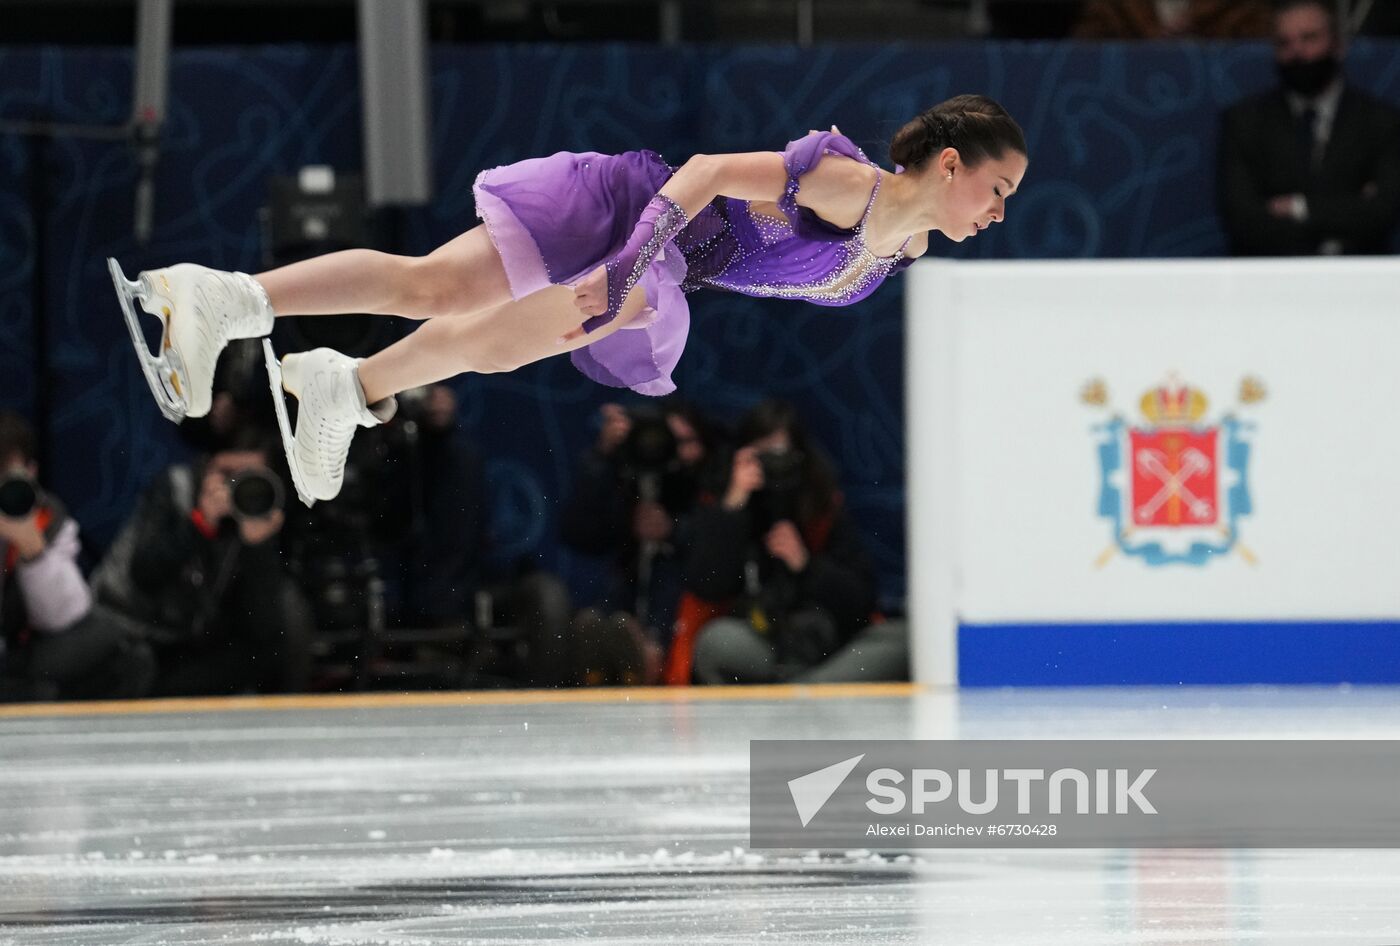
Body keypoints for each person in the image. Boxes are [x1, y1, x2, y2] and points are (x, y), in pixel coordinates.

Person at [109, 95, 1027, 504]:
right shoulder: (846, 184)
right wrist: (631, 264)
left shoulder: (902, 244)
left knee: (490, 332)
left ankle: (336, 379)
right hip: (632, 212)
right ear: (949, 164)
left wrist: (633, 280)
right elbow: (704, 174)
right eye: (996, 189)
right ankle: (234, 308)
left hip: (661, 264)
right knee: (436, 286)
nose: (997, 212)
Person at [682, 400, 907, 685]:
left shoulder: (822, 504)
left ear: (800, 455)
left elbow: (861, 601)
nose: (773, 465)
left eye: (780, 453)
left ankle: (805, 691)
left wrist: (806, 565)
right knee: (716, 643)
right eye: (761, 455)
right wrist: (734, 505)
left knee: (906, 638)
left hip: (829, 648)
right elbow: (707, 586)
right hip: (762, 644)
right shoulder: (727, 504)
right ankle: (807, 693)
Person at [92, 429, 312, 696]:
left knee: (283, 625)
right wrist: (200, 523)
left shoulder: (259, 512)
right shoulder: (175, 487)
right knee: (134, 666)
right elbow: (145, 575)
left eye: (248, 476)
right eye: (228, 472)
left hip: (188, 641)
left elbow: (263, 628)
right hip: (129, 629)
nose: (235, 484)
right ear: (208, 464)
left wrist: (258, 548)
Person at [1218, 0, 1400, 256]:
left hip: (1359, 274)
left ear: (1337, 45)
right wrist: (1350, 207)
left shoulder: (1379, 121)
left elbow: (1382, 213)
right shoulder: (1246, 121)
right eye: (1284, 43)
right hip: (1271, 273)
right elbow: (1243, 219)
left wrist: (1297, 207)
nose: (1297, 52)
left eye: (1309, 38)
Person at [0, 410, 155, 701]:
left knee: (122, 648)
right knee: (35, 692)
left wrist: (33, 551)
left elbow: (65, 616)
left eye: (5, 478)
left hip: (25, 650)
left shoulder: (46, 515)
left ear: (30, 473)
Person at [1073, 0, 1271, 39]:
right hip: (1132, 105)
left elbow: (1266, 47)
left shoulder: (1242, 6)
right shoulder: (1112, 6)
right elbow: (1082, 57)